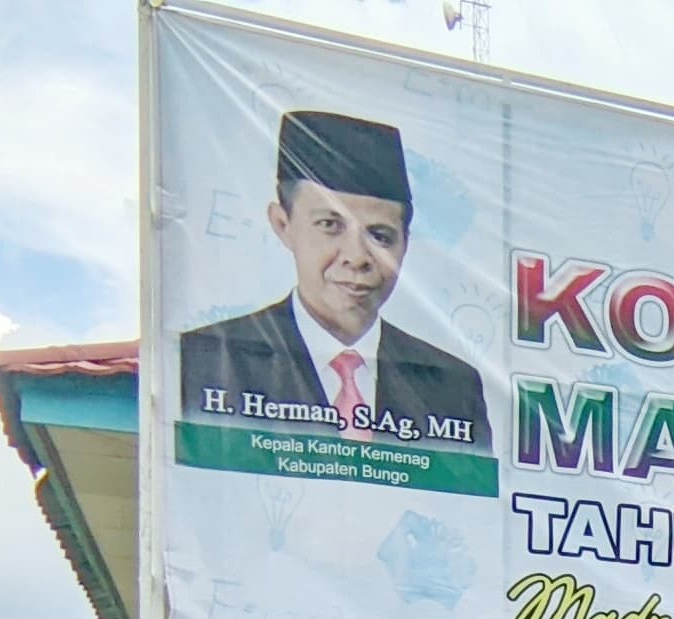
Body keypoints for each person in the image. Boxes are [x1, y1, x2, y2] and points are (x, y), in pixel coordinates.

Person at [178, 110, 490, 451]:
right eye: (330, 225)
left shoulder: (452, 386)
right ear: (283, 225)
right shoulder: (210, 357)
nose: (356, 257)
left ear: (405, 244)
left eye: (380, 236)